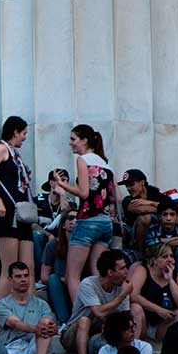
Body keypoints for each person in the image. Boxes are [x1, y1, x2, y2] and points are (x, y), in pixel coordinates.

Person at [54, 124, 117, 304]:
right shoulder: (106, 164)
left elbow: (83, 193)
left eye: (73, 139)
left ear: (84, 140)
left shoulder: (83, 160)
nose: (71, 143)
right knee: (98, 274)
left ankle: (79, 315)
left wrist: (61, 185)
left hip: (88, 220)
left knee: (72, 275)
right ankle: (102, 313)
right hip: (106, 223)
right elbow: (114, 198)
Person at [0, 116, 36, 300]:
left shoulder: (16, 155)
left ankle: (32, 314)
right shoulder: (1, 149)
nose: (25, 137)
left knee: (28, 269)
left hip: (21, 213)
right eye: (24, 133)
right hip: (6, 213)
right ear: (15, 132)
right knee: (9, 270)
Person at [60, 250, 135, 354]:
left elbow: (124, 317)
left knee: (133, 314)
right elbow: (98, 312)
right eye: (122, 268)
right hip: (73, 334)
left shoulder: (122, 286)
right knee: (84, 321)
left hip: (100, 332)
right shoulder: (88, 284)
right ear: (110, 272)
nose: (126, 272)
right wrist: (123, 295)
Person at [0, 262, 57, 354]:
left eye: (25, 276)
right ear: (10, 280)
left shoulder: (41, 304)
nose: (23, 279)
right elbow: (14, 323)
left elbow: (50, 325)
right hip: (12, 345)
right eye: (18, 276)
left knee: (45, 325)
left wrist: (52, 327)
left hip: (35, 346)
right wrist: (36, 329)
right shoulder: (2, 304)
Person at [129, 243, 178, 342]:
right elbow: (133, 295)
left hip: (163, 325)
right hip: (144, 322)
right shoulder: (143, 270)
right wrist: (158, 309)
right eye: (165, 256)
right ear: (154, 260)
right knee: (135, 307)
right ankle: (133, 348)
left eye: (171, 256)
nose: (169, 259)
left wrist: (170, 280)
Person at [144, 200, 178, 279]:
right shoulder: (153, 229)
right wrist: (175, 239)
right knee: (156, 251)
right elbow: (149, 243)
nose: (168, 218)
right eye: (165, 214)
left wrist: (161, 241)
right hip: (160, 258)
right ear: (160, 216)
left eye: (172, 214)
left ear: (177, 216)